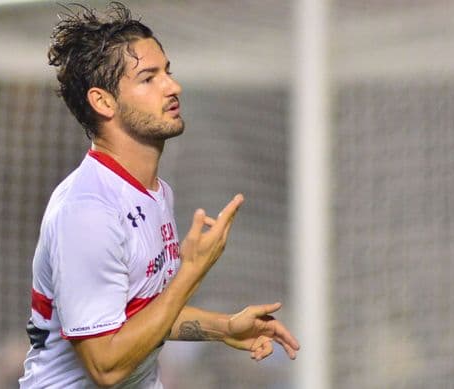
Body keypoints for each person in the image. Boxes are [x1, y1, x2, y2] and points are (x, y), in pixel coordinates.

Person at [19, 2, 299, 388]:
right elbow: (106, 367)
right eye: (148, 78)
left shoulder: (153, 192)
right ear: (103, 102)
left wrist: (224, 328)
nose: (173, 86)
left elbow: (140, 313)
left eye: (168, 71)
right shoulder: (88, 211)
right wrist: (191, 271)